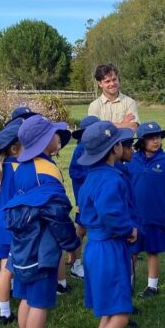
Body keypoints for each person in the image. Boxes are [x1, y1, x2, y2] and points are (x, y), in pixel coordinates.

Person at [5, 115, 79, 328]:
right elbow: (57, 214)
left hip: (23, 244)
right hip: (41, 247)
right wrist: (72, 244)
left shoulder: (20, 165)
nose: (59, 137)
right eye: (55, 134)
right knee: (38, 302)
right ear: (45, 141)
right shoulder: (46, 170)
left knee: (25, 297)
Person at [74, 123, 138, 328]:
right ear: (114, 148)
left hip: (98, 247)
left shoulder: (93, 175)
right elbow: (111, 214)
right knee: (120, 314)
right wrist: (129, 230)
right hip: (108, 247)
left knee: (109, 312)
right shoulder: (111, 179)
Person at [128, 121, 165, 300]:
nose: (156, 141)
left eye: (158, 137)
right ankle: (127, 284)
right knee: (132, 252)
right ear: (141, 141)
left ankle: (152, 286)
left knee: (153, 251)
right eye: (151, 138)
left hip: (156, 216)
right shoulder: (131, 160)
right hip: (133, 217)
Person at [0, 119, 23, 326]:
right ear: (14, 148)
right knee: (21, 265)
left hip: (3, 225)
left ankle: (4, 312)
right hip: (19, 223)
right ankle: (25, 305)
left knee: (5, 267)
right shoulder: (21, 168)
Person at [67, 116, 103, 279]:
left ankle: (95, 261)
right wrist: (91, 177)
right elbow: (73, 171)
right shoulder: (81, 149)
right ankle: (76, 263)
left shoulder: (103, 147)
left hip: (100, 195)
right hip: (85, 197)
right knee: (81, 229)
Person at [87, 64, 139, 130]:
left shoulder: (130, 102)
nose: (112, 84)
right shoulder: (94, 106)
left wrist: (103, 126)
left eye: (114, 79)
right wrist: (123, 123)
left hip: (125, 141)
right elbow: (96, 131)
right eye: (107, 81)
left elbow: (133, 126)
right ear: (100, 84)